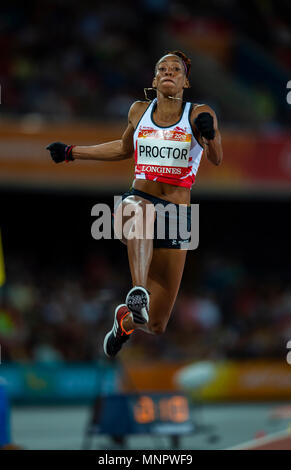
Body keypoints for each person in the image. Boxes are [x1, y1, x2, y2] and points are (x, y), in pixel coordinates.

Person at [46, 50, 223, 358]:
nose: (169, 72)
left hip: (178, 215)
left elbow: (217, 158)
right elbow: (123, 148)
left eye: (176, 69)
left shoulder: (198, 113)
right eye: (162, 68)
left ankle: (125, 322)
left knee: (156, 324)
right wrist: (72, 152)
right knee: (138, 210)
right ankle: (137, 291)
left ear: (185, 81)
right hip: (140, 197)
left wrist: (209, 134)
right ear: (154, 79)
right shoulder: (139, 110)